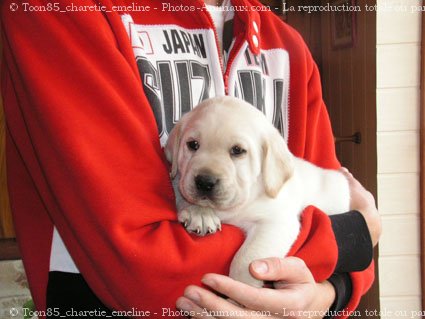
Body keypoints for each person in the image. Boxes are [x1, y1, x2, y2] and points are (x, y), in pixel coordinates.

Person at [0, 0, 380, 318]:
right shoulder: (60, 11)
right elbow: (140, 271)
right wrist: (351, 239)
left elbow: (327, 204)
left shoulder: (287, 47)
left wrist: (333, 292)